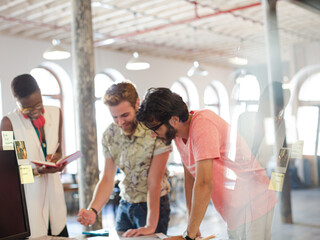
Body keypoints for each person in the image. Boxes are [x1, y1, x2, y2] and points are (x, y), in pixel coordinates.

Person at [136, 88, 278, 240]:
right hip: (234, 209)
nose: (153, 134)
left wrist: (189, 236)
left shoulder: (203, 125)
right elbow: (191, 177)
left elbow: (204, 183)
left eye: (154, 129)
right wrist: (192, 226)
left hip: (254, 201)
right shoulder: (177, 134)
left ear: (174, 120)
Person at [77, 82, 172, 237]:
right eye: (115, 117)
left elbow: (154, 183)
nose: (120, 122)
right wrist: (93, 210)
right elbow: (108, 177)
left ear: (137, 104)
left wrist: (150, 225)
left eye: (125, 115)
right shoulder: (110, 135)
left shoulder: (155, 129)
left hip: (154, 205)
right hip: (125, 204)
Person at [0, 74, 68, 238]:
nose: (36, 112)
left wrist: (57, 161)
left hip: (55, 201)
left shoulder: (56, 113)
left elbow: (59, 150)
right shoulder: (9, 124)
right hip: (29, 205)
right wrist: (37, 172)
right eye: (28, 109)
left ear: (41, 94)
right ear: (17, 102)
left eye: (38, 104)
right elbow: (8, 171)